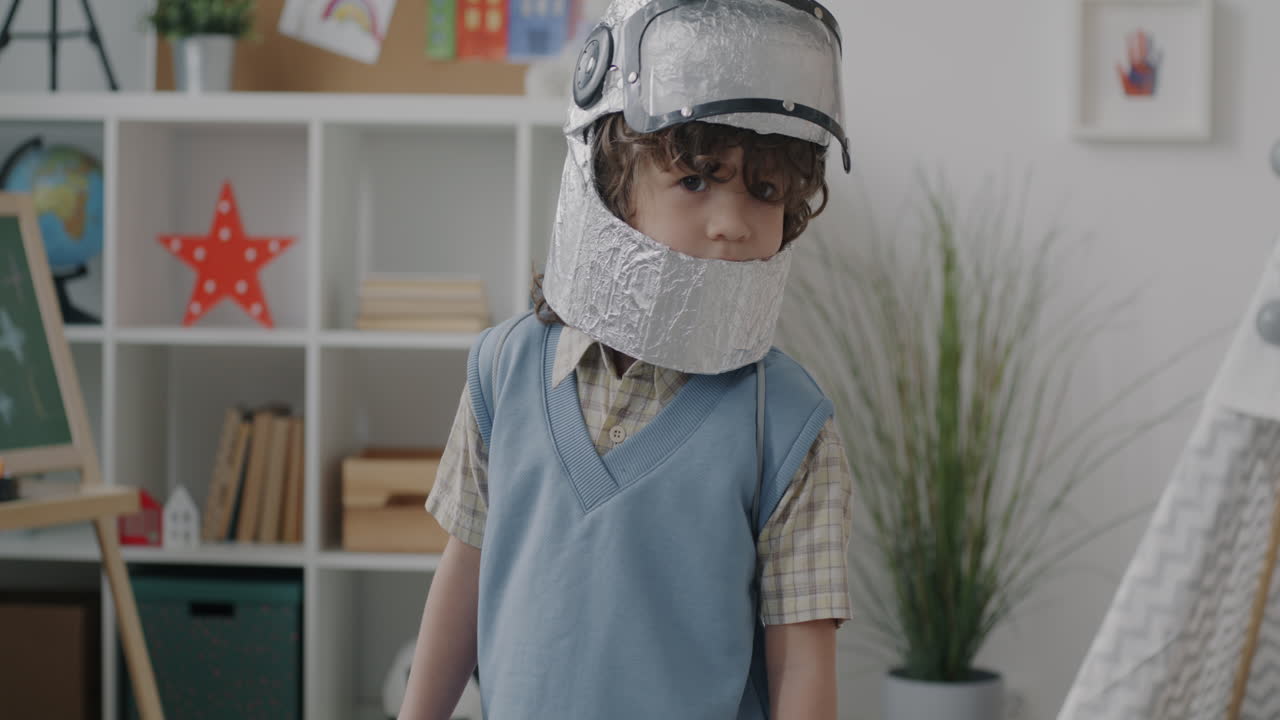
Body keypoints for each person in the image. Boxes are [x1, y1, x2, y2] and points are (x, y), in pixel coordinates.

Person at [399, 0, 854, 717]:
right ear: (612, 183)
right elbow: (465, 577)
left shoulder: (790, 426)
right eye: (695, 179)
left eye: (764, 191)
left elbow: (801, 662)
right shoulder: (503, 370)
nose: (732, 223)